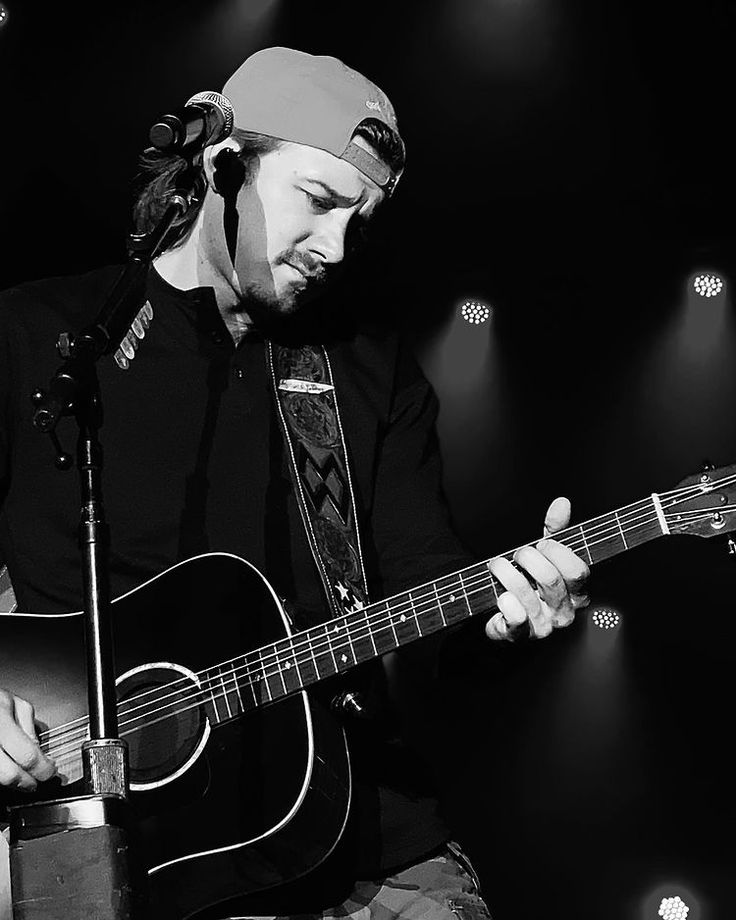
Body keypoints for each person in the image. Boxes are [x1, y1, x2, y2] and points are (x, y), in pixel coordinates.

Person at [0, 47, 590, 919]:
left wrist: (504, 617)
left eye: (361, 222)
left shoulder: (362, 369)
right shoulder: (38, 338)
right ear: (220, 164)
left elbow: (423, 578)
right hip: (91, 852)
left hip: (350, 836)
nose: (337, 248)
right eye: (317, 202)